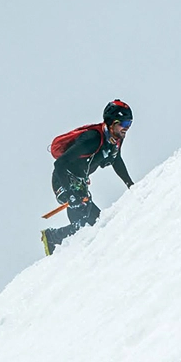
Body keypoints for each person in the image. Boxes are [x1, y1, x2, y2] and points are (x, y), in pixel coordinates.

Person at [41, 100, 134, 256]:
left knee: (98, 223)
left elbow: (116, 159)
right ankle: (54, 239)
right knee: (84, 224)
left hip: (79, 183)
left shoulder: (116, 139)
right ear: (112, 123)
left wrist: (130, 184)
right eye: (124, 123)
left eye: (129, 124)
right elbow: (60, 164)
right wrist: (69, 193)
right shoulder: (92, 139)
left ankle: (56, 240)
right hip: (62, 180)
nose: (127, 128)